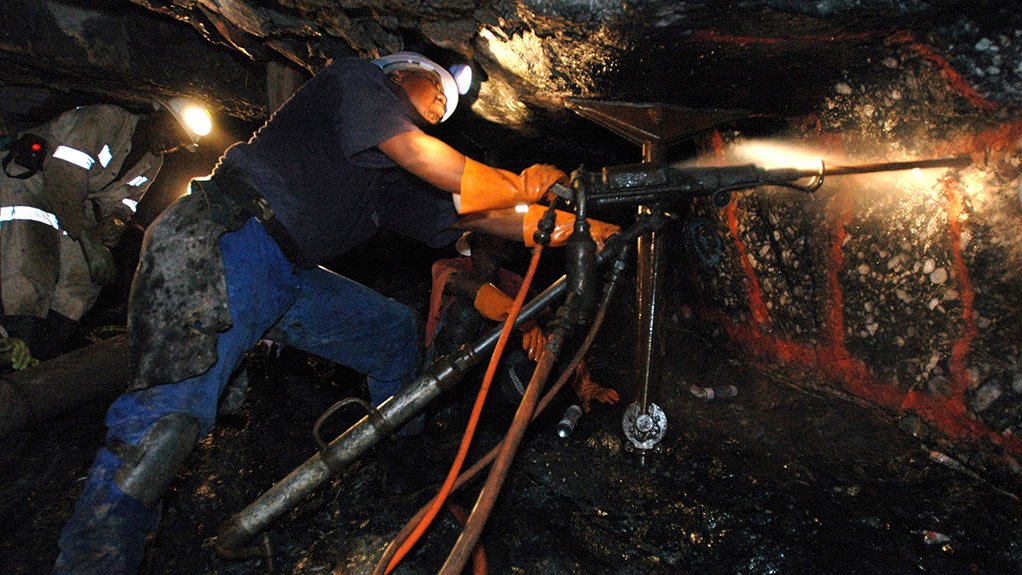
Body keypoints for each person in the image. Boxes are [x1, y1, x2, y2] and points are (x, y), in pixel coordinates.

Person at [54, 51, 617, 573]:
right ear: (399, 71)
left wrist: (582, 228)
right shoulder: (356, 81)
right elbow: (430, 159)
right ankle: (93, 559)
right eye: (437, 88)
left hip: (287, 271)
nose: (442, 104)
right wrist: (521, 183)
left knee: (393, 333)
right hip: (223, 238)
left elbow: (476, 218)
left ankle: (400, 458)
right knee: (166, 423)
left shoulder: (385, 178)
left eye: (447, 105)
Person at [0, 97, 212, 363]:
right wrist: (89, 243)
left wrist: (115, 222)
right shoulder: (105, 120)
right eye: (173, 131)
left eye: (180, 142)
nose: (172, 142)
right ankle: (14, 355)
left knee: (82, 282)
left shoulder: (151, 163)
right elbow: (63, 177)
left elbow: (124, 203)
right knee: (32, 268)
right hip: (32, 184)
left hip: (79, 204)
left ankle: (39, 361)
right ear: (157, 114)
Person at [424, 232, 619, 428]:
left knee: (545, 342)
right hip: (442, 378)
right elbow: (469, 287)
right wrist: (518, 317)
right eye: (501, 234)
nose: (511, 240)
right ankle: (443, 419)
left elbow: (557, 327)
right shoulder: (449, 267)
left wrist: (584, 385)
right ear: (480, 238)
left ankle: (497, 424)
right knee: (466, 312)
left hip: (488, 382)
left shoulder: (515, 283)